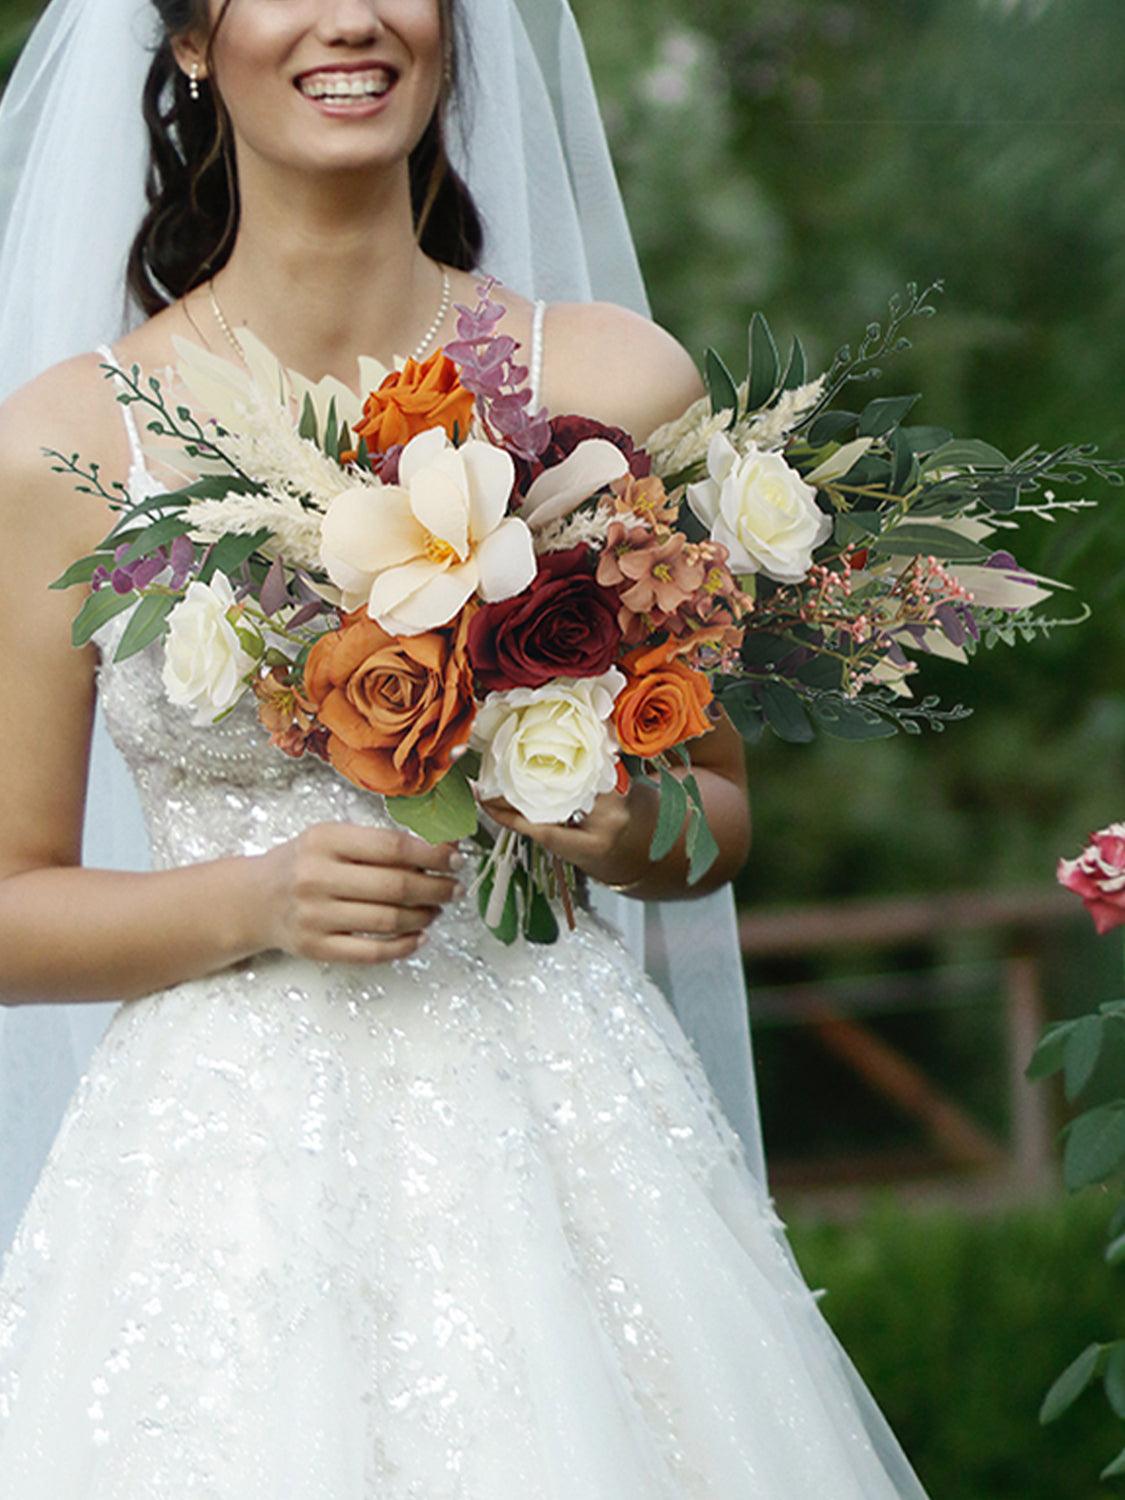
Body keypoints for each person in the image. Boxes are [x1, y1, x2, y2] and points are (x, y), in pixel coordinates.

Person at [0, 1, 932, 1494]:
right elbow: (9, 902)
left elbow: (716, 826)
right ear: (186, 42)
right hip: (215, 1190)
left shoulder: (618, 389)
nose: (350, 17)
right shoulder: (67, 447)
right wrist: (253, 904)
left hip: (565, 1135)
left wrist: (609, 821)